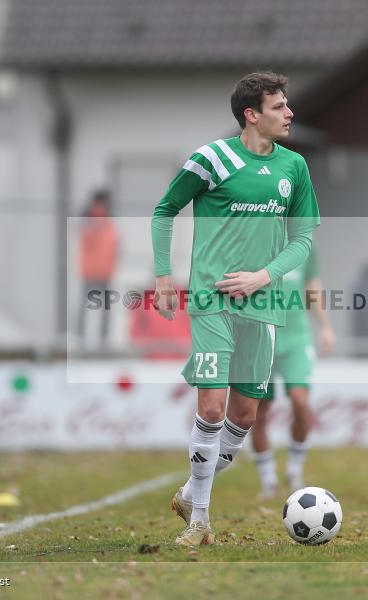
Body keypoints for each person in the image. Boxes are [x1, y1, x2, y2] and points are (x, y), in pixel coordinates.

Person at [152, 72, 320, 546]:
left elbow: (303, 238)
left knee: (245, 415)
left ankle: (190, 492)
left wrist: (262, 276)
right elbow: (165, 209)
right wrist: (164, 276)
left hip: (264, 304)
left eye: (287, 105)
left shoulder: (294, 167)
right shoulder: (212, 159)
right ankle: (200, 521)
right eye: (279, 106)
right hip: (211, 299)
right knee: (211, 404)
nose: (289, 114)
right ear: (252, 114)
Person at [251, 248, 334, 497]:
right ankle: (268, 480)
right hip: (261, 338)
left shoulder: (305, 243)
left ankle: (294, 470)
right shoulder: (256, 235)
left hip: (297, 339)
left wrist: (326, 327)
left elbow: (312, 285)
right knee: (258, 412)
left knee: (300, 400)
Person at [77, 191, 118, 346]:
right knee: (84, 305)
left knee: (106, 308)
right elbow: (88, 240)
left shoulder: (109, 222)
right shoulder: (88, 222)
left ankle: (104, 340)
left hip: (106, 272)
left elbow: (114, 245)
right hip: (90, 272)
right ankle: (80, 338)